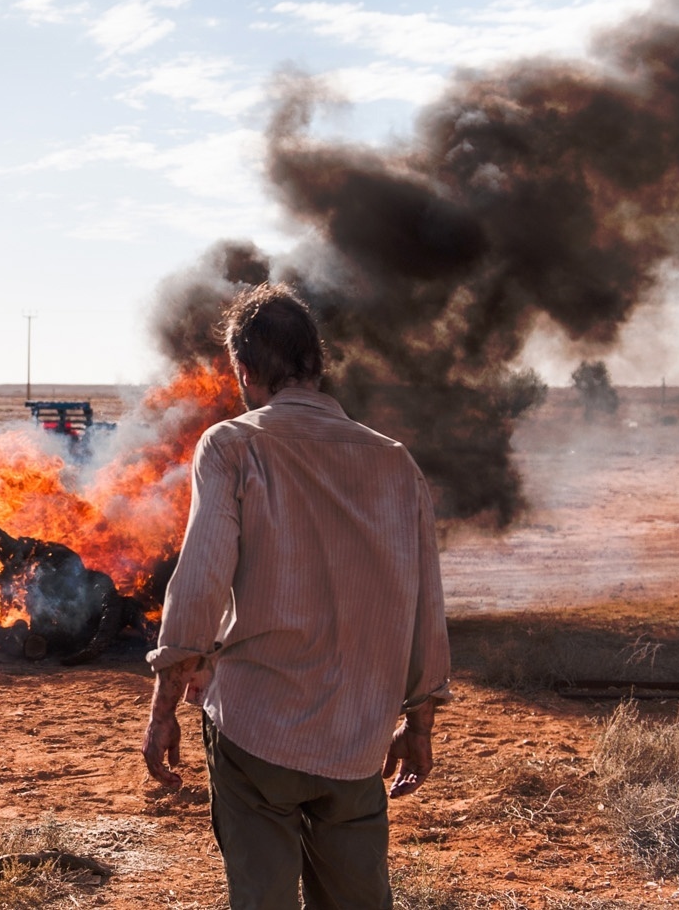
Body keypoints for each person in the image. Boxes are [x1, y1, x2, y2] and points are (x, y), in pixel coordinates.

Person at [141, 283, 451, 910]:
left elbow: (200, 583)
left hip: (257, 730)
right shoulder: (395, 463)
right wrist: (418, 723)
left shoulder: (233, 445)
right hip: (357, 738)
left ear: (246, 371)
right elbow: (427, 607)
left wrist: (163, 707)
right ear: (317, 364)